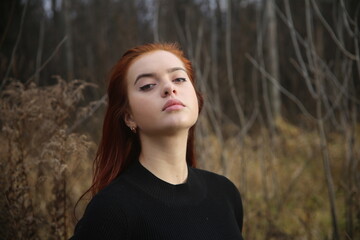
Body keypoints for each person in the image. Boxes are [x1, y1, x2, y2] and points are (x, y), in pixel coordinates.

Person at [69, 43, 244, 240]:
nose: (169, 88)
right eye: (148, 86)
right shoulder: (112, 210)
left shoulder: (224, 194)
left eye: (179, 79)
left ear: (197, 98)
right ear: (129, 117)